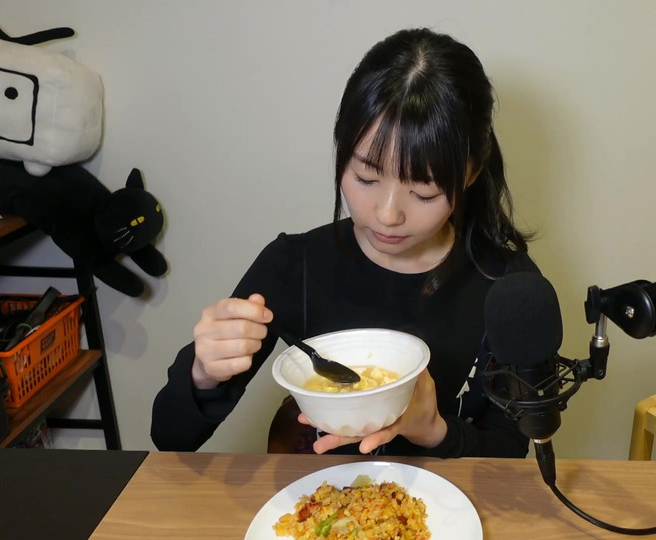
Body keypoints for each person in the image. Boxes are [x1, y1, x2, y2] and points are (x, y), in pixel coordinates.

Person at [151, 27, 539, 458]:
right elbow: (170, 437)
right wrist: (203, 373)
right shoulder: (294, 266)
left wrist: (435, 431)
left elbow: (510, 452)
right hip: (322, 498)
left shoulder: (510, 290)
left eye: (424, 192)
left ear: (470, 173)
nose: (387, 214)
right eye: (366, 177)